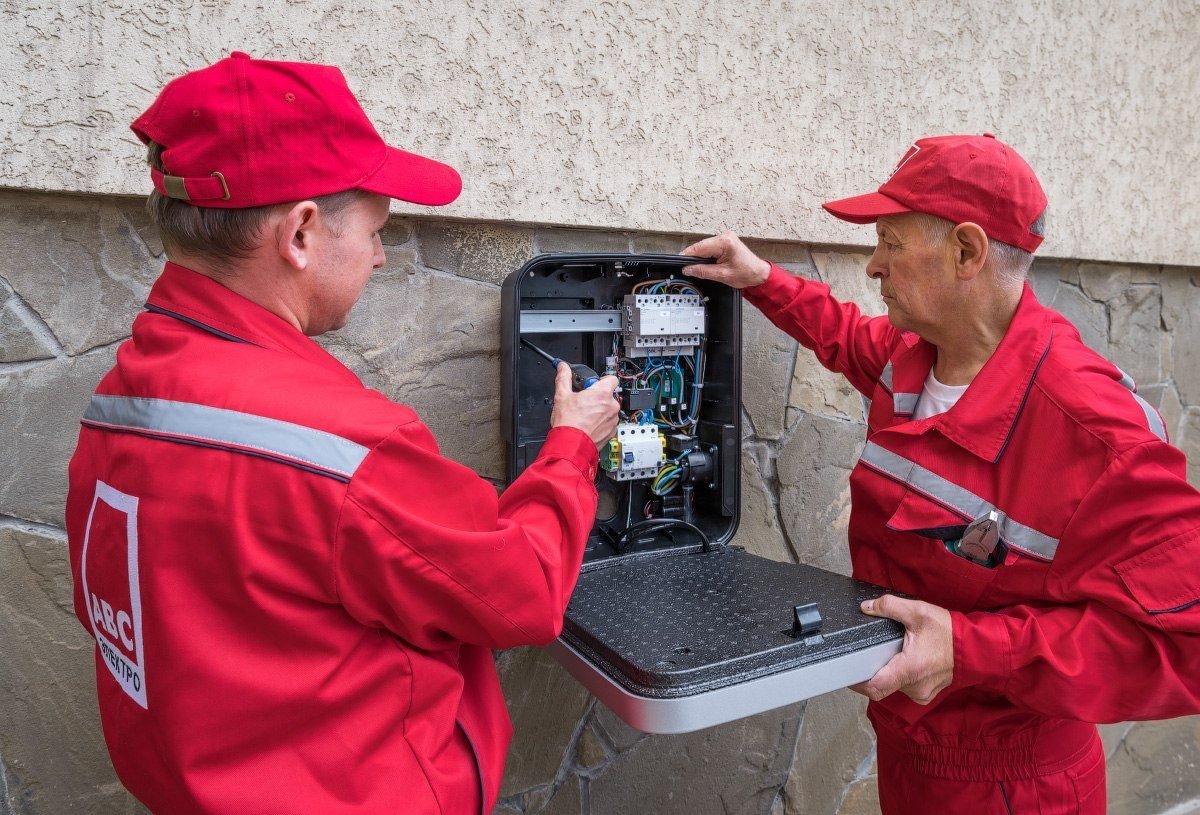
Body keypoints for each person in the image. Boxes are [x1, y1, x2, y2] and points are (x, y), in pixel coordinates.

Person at [66, 52, 619, 815]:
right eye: (375, 229)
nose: (381, 255)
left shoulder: (119, 400)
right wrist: (571, 447)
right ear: (300, 233)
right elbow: (522, 591)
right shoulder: (343, 447)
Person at [681, 133, 1200, 814]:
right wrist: (762, 280)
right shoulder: (916, 355)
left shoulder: (1097, 437)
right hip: (910, 754)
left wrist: (975, 649)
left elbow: (1187, 646)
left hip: (1014, 787)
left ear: (966, 252)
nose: (874, 266)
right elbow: (845, 336)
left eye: (891, 243)